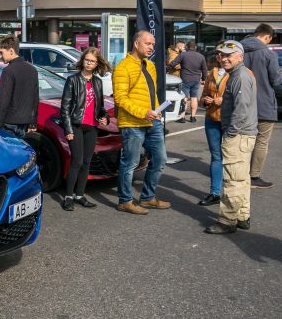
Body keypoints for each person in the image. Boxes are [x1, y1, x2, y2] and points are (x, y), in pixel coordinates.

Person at [112, 31, 170, 215]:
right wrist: (143, 112)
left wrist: (157, 110)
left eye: (153, 44)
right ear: (136, 44)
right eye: (148, 43)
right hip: (132, 124)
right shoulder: (123, 67)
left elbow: (151, 93)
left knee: (160, 159)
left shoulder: (150, 66)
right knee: (130, 163)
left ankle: (147, 197)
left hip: (153, 122)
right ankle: (125, 201)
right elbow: (121, 98)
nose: (152, 47)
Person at [205, 41, 257, 234]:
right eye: (221, 55)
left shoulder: (240, 77)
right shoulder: (237, 75)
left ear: (240, 57)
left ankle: (227, 221)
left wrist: (230, 133)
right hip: (244, 134)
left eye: (229, 55)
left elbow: (241, 110)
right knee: (241, 178)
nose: (224, 58)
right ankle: (242, 216)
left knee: (232, 180)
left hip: (239, 135)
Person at [59, 48, 110, 211]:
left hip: (92, 127)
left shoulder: (97, 82)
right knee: (77, 161)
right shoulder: (73, 80)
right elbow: (65, 108)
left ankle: (80, 195)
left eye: (92, 61)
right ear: (82, 61)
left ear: (96, 64)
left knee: (87, 162)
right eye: (87, 60)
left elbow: (100, 107)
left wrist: (105, 118)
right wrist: (68, 129)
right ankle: (68, 197)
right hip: (76, 126)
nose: (89, 63)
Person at [241, 23, 282, 189]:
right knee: (261, 141)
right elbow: (276, 80)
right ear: (267, 37)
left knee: (243, 139)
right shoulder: (268, 54)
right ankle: (254, 177)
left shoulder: (238, 51)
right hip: (263, 104)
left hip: (241, 103)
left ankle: (240, 173)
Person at [197, 50, 229, 206]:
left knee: (231, 157)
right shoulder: (212, 73)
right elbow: (202, 95)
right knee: (216, 156)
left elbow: (242, 96)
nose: (222, 57)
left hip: (230, 120)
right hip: (212, 119)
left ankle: (232, 194)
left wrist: (222, 100)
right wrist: (205, 101)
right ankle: (215, 193)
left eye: (225, 54)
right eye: (220, 54)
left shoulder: (240, 73)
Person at [0, 36, 38, 139]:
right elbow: (35, 98)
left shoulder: (8, 71)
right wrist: (33, 122)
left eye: (1, 52)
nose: (0, 56)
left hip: (9, 123)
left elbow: (3, 100)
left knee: (8, 153)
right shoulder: (32, 69)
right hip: (25, 122)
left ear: (11, 51)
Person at [168, 40, 207, 123]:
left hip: (185, 79)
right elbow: (204, 69)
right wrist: (204, 79)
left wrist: (165, 69)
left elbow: (173, 63)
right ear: (195, 47)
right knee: (194, 98)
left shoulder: (183, 54)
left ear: (187, 47)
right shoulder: (201, 56)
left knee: (184, 98)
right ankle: (193, 117)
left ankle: (182, 117)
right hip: (196, 80)